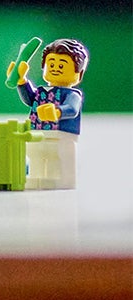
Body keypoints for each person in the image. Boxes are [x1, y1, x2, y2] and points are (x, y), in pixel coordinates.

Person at [12, 37, 88, 190]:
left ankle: (57, 181)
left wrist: (57, 111)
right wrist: (22, 81)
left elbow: (72, 109)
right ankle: (35, 179)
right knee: (36, 159)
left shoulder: (72, 94)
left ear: (78, 74)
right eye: (51, 64)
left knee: (57, 162)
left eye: (61, 65)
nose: (55, 69)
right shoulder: (41, 92)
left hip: (61, 136)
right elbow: (30, 99)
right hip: (37, 134)